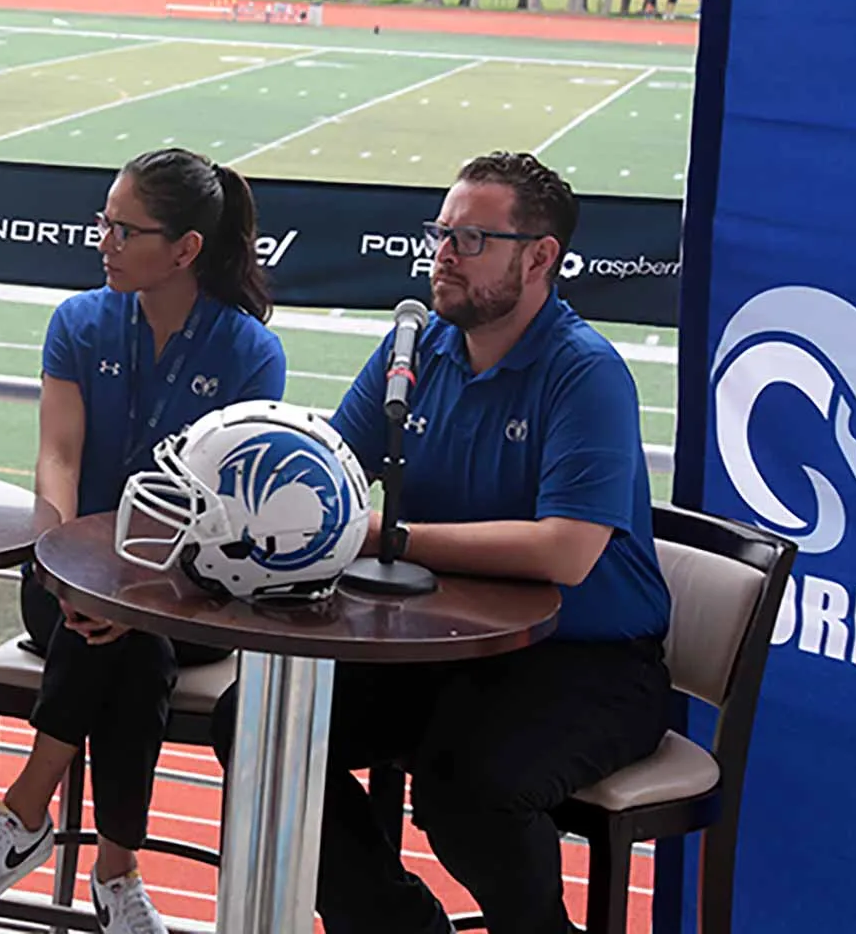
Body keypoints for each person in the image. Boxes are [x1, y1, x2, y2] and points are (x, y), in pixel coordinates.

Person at [210, 152, 671, 934]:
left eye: (471, 238)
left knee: (467, 788)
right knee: (258, 727)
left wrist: (395, 535)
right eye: (441, 233)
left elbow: (567, 551)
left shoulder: (584, 371)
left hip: (588, 660)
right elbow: (331, 473)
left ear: (540, 258)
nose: (443, 253)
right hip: (447, 647)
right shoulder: (413, 350)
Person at [0, 148, 286, 933]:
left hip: (188, 596)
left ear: (185, 249)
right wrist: (61, 561)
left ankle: (21, 812)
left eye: (125, 228)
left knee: (139, 637)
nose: (104, 241)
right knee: (122, 644)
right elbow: (59, 457)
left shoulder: (250, 353)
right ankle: (116, 875)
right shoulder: (79, 322)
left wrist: (142, 591)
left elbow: (220, 505)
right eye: (103, 222)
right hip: (67, 581)